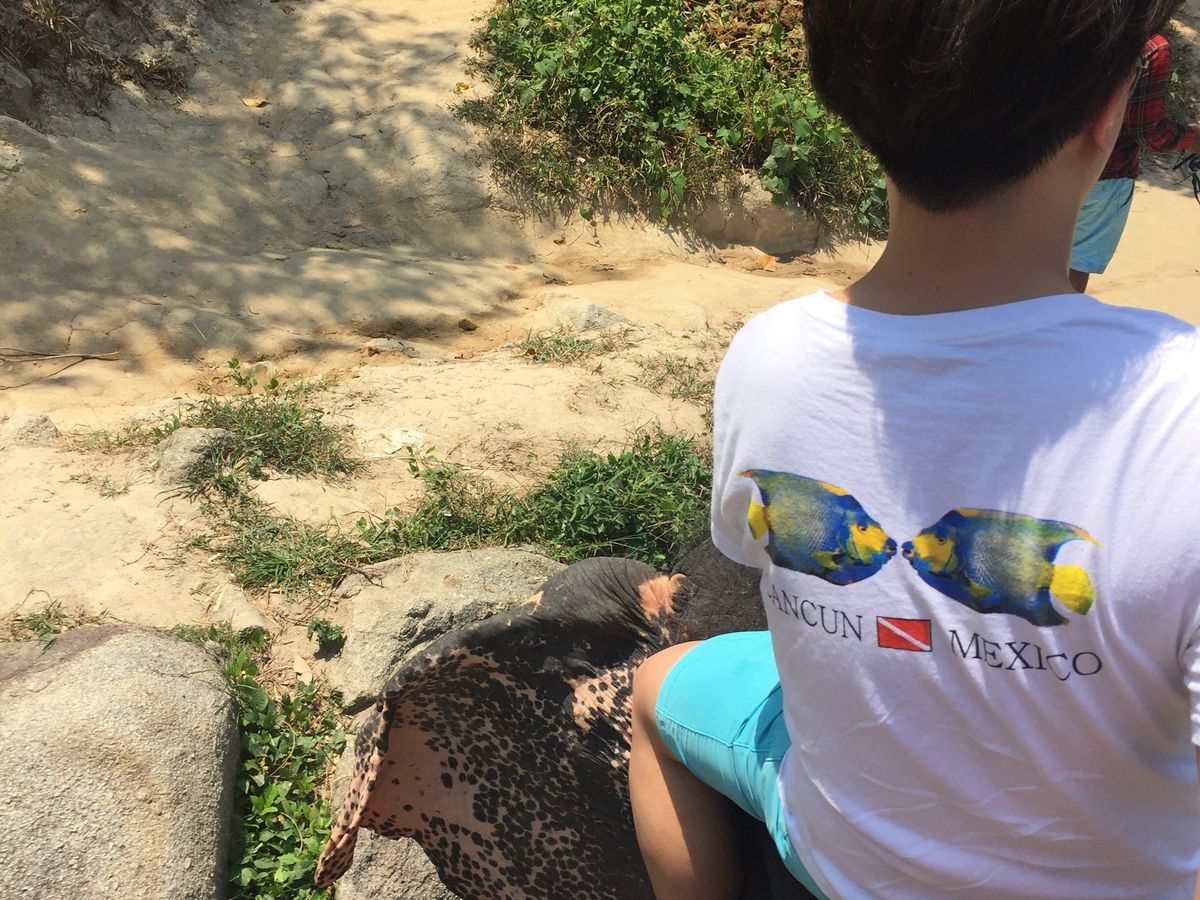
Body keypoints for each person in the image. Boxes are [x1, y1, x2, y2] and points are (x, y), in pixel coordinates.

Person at [629, 1, 1200, 898]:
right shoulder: (1180, 403)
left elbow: (749, 550)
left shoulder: (767, 358)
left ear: (841, 94)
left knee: (656, 686)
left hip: (846, 869)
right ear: (1106, 113)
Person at [1069, 33, 1200, 293]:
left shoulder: (1069, 22)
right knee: (1075, 266)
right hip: (1107, 176)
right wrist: (1193, 138)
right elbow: (1149, 132)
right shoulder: (1151, 46)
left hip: (1040, 165)